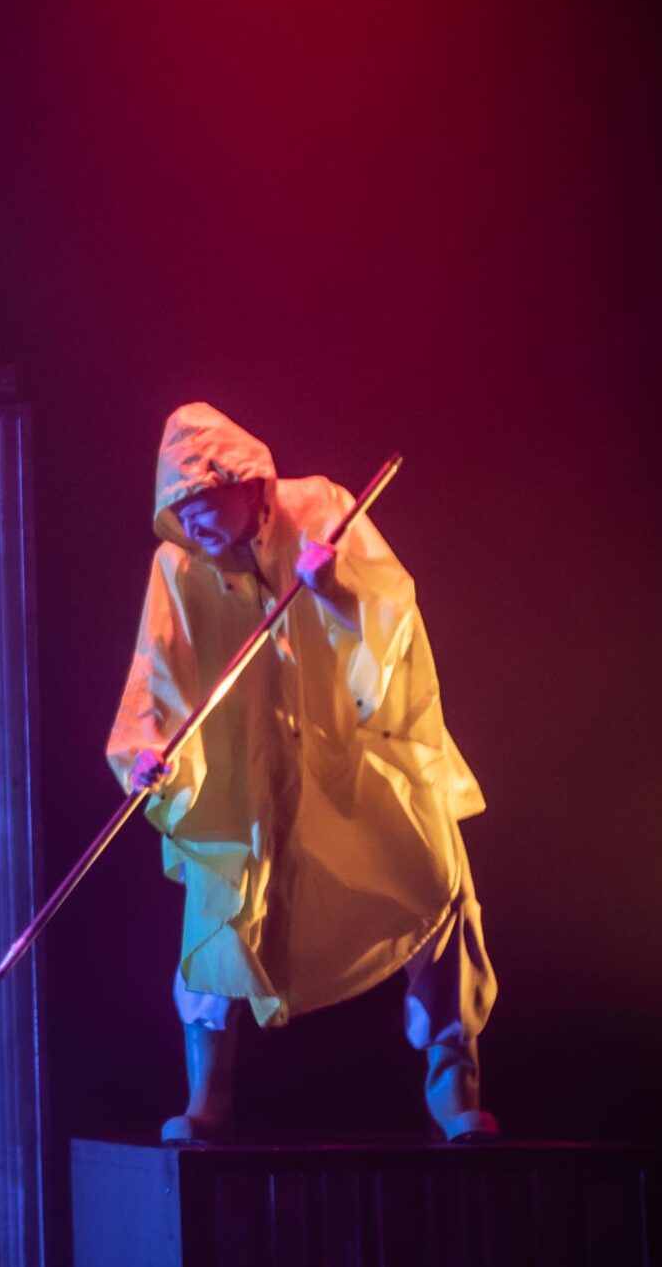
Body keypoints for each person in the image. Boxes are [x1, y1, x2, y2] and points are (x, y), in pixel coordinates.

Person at [107, 403, 498, 1142]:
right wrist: (150, 753)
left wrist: (336, 593)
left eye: (200, 500)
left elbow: (394, 630)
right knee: (221, 903)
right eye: (177, 508)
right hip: (247, 766)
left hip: (350, 753)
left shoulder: (323, 510)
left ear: (247, 482)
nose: (189, 521)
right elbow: (157, 671)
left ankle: (453, 1076)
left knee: (435, 878)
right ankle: (208, 1092)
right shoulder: (179, 564)